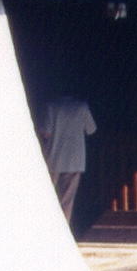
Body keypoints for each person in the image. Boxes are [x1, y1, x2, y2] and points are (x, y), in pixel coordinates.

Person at [37, 95, 95, 226]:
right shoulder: (82, 106)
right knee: (66, 200)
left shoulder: (51, 106)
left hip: (53, 159)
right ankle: (63, 229)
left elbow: (45, 133)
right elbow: (91, 130)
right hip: (75, 160)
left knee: (47, 197)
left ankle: (45, 226)